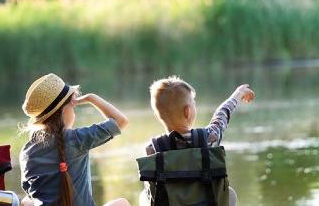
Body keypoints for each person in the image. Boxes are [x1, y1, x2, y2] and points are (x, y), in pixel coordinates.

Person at [139, 75, 255, 205]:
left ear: (156, 116)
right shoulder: (208, 138)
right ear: (188, 111)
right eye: (193, 103)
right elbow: (221, 116)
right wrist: (237, 94)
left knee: (144, 195)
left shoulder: (151, 149)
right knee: (230, 193)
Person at [19, 73, 130, 206]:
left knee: (26, 201)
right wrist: (91, 98)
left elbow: (29, 190)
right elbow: (120, 121)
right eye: (73, 106)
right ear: (64, 110)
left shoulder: (26, 151)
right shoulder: (77, 139)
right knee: (122, 203)